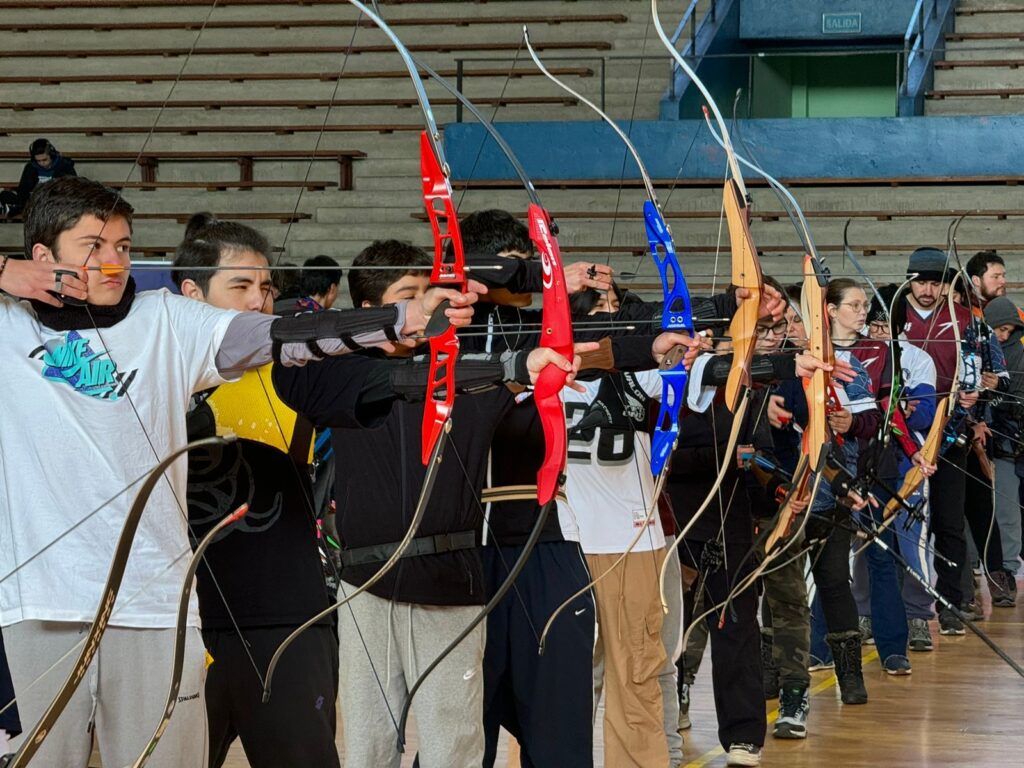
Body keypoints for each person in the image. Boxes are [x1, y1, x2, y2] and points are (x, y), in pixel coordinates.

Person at [0, 176, 478, 768]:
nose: (114, 262)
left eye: (124, 246)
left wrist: (400, 318)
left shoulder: (167, 320)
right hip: (34, 606)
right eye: (94, 246)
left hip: (156, 610)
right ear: (42, 257)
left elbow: (282, 336)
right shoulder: (7, 323)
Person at [173, 214, 342, 768]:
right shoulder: (149, 373)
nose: (258, 301)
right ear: (191, 295)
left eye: (265, 288)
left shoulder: (297, 370)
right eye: (240, 286)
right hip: (176, 622)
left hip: (285, 620)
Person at [0, 138, 76, 219]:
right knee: (5, 195)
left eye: (45, 160)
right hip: (33, 200)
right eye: (38, 161)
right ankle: (21, 208)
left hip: (55, 200)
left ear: (52, 155)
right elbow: (23, 189)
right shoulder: (31, 167)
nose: (42, 163)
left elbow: (73, 187)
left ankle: (17, 209)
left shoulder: (64, 165)